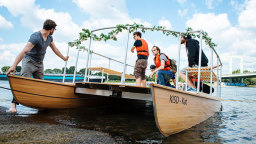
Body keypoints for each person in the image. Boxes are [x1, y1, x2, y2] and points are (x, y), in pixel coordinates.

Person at [6, 19, 69, 113]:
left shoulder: (49, 38)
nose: (54, 31)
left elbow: (55, 49)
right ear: (51, 29)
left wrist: (63, 58)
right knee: (23, 82)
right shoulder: (35, 36)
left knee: (40, 85)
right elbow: (25, 51)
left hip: (40, 64)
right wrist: (14, 65)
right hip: (29, 61)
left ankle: (39, 105)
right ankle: (13, 105)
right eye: (54, 29)